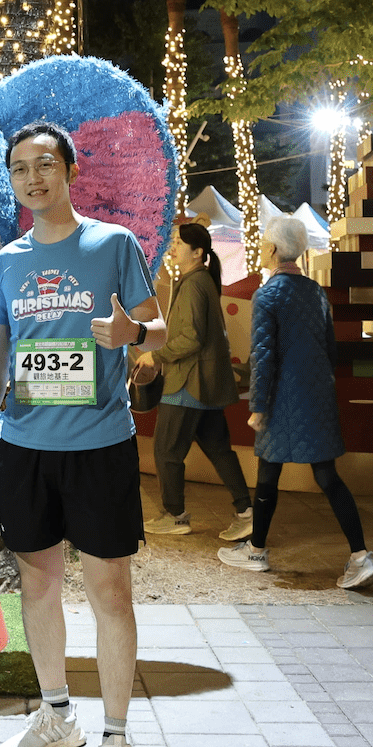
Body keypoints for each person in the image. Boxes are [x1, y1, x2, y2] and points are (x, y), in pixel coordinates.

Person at [0, 121, 167, 747]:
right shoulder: (8, 262)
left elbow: (159, 329)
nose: (33, 178)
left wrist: (133, 333)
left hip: (100, 446)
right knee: (38, 585)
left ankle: (116, 737)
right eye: (20, 169)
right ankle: (57, 714)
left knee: (111, 593)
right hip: (26, 448)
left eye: (45, 164)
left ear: (70, 170)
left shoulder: (113, 244)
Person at [219, 217, 373, 590]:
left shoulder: (268, 295)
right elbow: (330, 348)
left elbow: (263, 357)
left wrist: (258, 406)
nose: (261, 248)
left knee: (268, 474)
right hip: (317, 395)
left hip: (281, 399)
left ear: (273, 249)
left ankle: (256, 551)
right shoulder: (315, 292)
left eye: (264, 242)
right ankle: (360, 555)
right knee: (326, 475)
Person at [136, 221, 254, 541]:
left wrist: (156, 357)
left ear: (197, 252)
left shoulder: (193, 284)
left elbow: (191, 338)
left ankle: (175, 516)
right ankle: (246, 512)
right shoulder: (200, 281)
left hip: (187, 382)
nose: (172, 247)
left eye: (178, 242)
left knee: (166, 450)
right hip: (204, 383)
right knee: (219, 450)